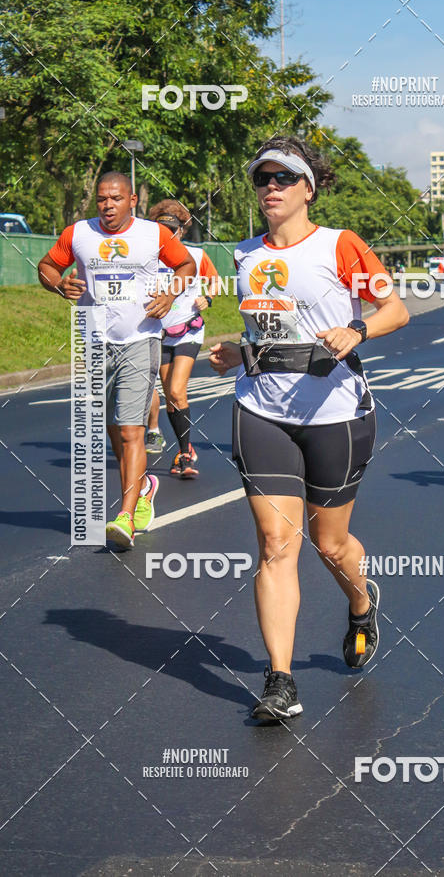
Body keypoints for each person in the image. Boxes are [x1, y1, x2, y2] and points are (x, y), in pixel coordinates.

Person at [209, 136, 409, 721]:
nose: (270, 188)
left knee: (329, 543)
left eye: (282, 178)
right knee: (275, 546)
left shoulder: (339, 246)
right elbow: (263, 325)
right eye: (261, 179)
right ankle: (280, 681)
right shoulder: (244, 254)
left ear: (307, 188)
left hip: (335, 412)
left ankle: (359, 599)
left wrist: (359, 331)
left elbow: (394, 309)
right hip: (261, 409)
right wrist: (233, 351)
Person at [37, 172, 196, 547]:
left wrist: (171, 296)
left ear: (132, 201)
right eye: (102, 200)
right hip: (92, 338)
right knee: (113, 431)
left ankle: (124, 516)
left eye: (115, 199)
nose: (108, 206)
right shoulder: (78, 234)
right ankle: (142, 487)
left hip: (140, 338)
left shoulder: (153, 235)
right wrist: (58, 284)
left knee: (131, 429)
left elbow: (186, 266)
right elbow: (46, 266)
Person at [148, 200, 218, 478]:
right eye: (161, 229)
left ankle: (185, 456)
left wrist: (207, 297)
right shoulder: (147, 259)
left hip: (189, 329)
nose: (167, 234)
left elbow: (215, 281)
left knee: (177, 390)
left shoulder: (196, 256)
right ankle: (184, 446)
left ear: (182, 230)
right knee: (170, 395)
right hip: (160, 333)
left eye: (172, 229)